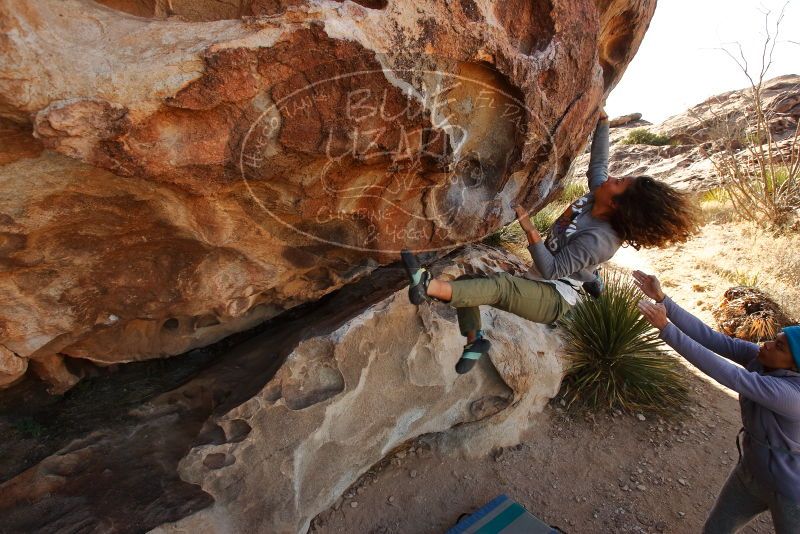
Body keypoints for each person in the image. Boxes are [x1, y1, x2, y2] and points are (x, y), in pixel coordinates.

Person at [401, 109, 700, 374]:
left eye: (619, 183)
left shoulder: (602, 240)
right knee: (470, 284)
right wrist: (603, 122)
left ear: (619, 205)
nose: (613, 178)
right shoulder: (599, 194)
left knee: (501, 287)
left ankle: (426, 285)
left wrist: (530, 230)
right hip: (544, 279)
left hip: (558, 295)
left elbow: (551, 269)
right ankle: (474, 341)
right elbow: (599, 165)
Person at [635, 270, 800, 534]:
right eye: (774, 339)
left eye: (779, 347)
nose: (767, 345)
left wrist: (667, 329)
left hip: (791, 493)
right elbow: (713, 340)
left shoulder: (791, 395)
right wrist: (663, 299)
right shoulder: (761, 358)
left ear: (795, 367)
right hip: (750, 474)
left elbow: (729, 374)